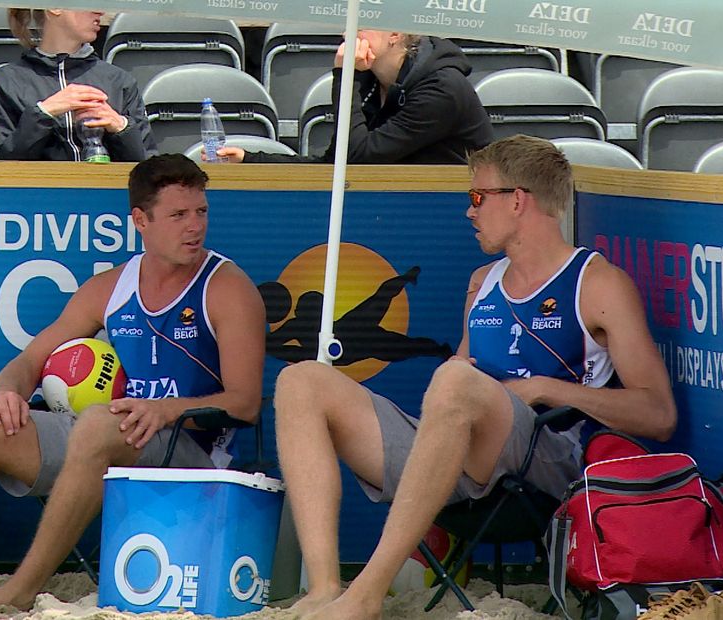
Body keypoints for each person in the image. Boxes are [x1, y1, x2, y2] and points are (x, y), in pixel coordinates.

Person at [273, 134, 676, 620]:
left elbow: (658, 414)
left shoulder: (596, 281)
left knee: (456, 381)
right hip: (462, 455)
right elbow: (455, 392)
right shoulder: (481, 282)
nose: (470, 211)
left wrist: (545, 389)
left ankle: (367, 595)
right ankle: (323, 588)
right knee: (301, 381)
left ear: (519, 200)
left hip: (546, 463)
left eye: (477, 197)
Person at [0, 153, 266, 610]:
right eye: (179, 214)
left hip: (195, 454)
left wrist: (166, 409)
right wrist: (7, 391)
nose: (195, 226)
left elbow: (244, 404)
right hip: (114, 436)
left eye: (201, 211)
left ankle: (20, 589)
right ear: (140, 220)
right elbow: (29, 360)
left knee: (99, 423)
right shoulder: (110, 287)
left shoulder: (226, 286)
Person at [219, 31, 492, 165]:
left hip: (454, 210)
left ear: (394, 35)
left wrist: (346, 76)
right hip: (402, 206)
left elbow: (356, 158)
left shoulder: (441, 89)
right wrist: (250, 160)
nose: (346, 34)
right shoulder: (373, 81)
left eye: (360, 25)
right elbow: (335, 165)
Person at [0, 9, 157, 161]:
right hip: (38, 198)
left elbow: (151, 174)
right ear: (54, 7)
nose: (99, 11)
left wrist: (121, 128)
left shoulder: (120, 81)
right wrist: (42, 115)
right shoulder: (3, 84)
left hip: (106, 198)